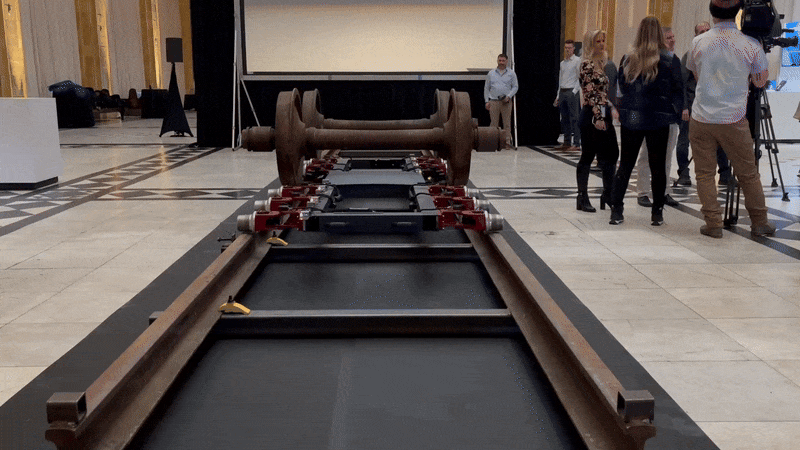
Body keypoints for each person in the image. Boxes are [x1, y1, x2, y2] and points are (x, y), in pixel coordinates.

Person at [687, 0, 776, 238]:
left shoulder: (698, 41)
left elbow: (696, 74)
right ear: (738, 13)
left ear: (712, 13)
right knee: (748, 173)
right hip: (734, 118)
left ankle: (713, 224)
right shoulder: (751, 44)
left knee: (705, 173)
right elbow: (760, 81)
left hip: (702, 117)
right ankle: (759, 222)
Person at [608, 16, 683, 226]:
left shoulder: (628, 58)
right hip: (658, 117)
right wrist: (674, 113)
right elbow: (677, 89)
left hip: (632, 115)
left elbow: (621, 86)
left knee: (625, 164)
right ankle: (657, 213)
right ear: (660, 33)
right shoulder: (669, 59)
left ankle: (617, 210)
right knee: (658, 166)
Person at [676, 21, 732, 187]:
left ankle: (725, 174)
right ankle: (683, 172)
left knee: (720, 139)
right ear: (696, 36)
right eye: (702, 31)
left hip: (714, 105)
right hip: (693, 105)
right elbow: (682, 85)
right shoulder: (689, 56)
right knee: (685, 139)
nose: (706, 33)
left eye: (708, 30)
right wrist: (684, 107)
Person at [633, 27, 683, 208]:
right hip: (652, 115)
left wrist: (679, 108)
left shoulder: (675, 60)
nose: (672, 40)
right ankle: (643, 191)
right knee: (647, 154)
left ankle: (664, 191)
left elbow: (679, 88)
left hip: (669, 116)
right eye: (668, 38)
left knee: (667, 156)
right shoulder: (652, 60)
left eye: (673, 37)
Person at [575, 29, 619, 213]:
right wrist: (598, 117)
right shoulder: (586, 64)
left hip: (603, 112)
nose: (601, 44)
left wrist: (610, 109)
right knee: (588, 155)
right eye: (597, 41)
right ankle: (582, 197)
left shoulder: (602, 64)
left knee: (611, 154)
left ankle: (607, 194)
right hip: (592, 115)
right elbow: (590, 92)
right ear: (590, 44)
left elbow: (602, 94)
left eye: (603, 40)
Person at [554, 40, 581, 150]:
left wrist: (574, 91)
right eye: (566, 48)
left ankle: (576, 143)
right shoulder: (562, 63)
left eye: (569, 48)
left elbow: (580, 78)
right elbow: (560, 80)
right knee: (564, 118)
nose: (567, 50)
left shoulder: (577, 61)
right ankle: (566, 142)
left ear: (574, 48)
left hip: (572, 91)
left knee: (574, 118)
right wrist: (558, 95)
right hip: (563, 91)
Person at [484, 53, 518, 137]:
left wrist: (509, 96)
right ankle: (492, 142)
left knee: (506, 123)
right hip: (493, 101)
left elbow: (515, 87)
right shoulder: (491, 73)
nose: (501, 62)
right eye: (499, 60)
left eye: (503, 61)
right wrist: (486, 101)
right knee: (493, 123)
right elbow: (486, 88)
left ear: (506, 62)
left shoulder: (511, 73)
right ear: (497, 61)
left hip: (506, 102)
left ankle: (507, 142)